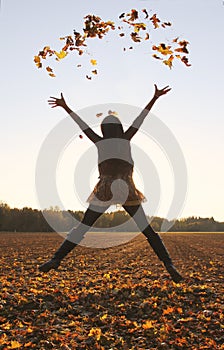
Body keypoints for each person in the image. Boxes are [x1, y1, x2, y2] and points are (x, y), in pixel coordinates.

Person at [39, 84, 183, 283]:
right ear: (119, 128)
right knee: (148, 231)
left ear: (104, 130)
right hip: (127, 188)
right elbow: (141, 118)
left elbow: (83, 126)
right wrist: (154, 98)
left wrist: (66, 107)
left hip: (106, 189)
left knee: (82, 228)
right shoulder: (126, 138)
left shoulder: (100, 142)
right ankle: (169, 264)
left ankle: (55, 260)